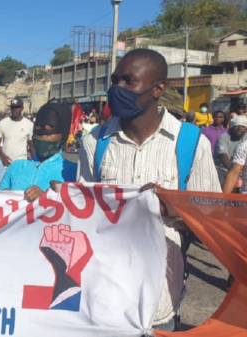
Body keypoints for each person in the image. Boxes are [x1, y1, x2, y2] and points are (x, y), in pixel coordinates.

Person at [76, 49, 220, 331]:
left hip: (161, 300)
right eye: (115, 80)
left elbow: (210, 219)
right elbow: (83, 213)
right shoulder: (95, 142)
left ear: (158, 88)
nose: (117, 89)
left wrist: (168, 208)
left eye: (130, 81)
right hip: (105, 297)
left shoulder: (191, 143)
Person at [0, 103, 77, 201]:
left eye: (50, 130)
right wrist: (2, 196)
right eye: (38, 128)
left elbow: (81, 210)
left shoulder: (75, 172)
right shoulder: (15, 167)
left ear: (63, 134)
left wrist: (50, 198)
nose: (43, 136)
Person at [214, 115, 247, 188]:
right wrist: (234, 172)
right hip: (223, 169)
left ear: (246, 129)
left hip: (242, 171)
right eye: (237, 126)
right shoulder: (223, 137)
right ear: (231, 127)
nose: (239, 128)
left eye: (243, 127)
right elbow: (223, 155)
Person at [0, 98, 35, 166]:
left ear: (22, 108)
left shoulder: (29, 124)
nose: (14, 109)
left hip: (21, 164)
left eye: (17, 107)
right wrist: (3, 157)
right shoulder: (3, 123)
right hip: (6, 164)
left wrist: (35, 163)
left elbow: (32, 147)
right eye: (13, 107)